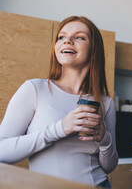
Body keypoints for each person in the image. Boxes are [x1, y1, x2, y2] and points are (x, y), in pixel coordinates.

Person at [0, 16, 118, 187]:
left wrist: (104, 139)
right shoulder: (35, 89)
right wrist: (60, 129)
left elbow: (109, 166)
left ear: (94, 50)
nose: (67, 40)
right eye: (61, 37)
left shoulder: (105, 102)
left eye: (79, 37)